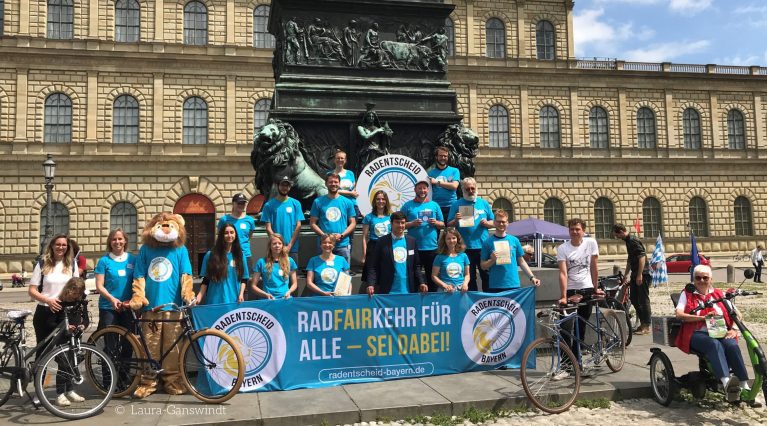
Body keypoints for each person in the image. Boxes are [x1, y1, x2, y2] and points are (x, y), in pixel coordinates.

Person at [675, 264, 750, 397]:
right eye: (698, 278)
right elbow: (679, 315)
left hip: (719, 331)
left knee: (732, 345)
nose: (701, 281)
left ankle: (744, 384)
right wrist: (703, 318)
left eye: (705, 278)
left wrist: (733, 329)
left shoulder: (719, 294)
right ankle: (727, 383)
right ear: (693, 279)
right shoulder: (687, 294)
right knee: (713, 344)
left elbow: (737, 314)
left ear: (711, 279)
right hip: (696, 333)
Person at [556, 218, 603, 361]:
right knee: (564, 327)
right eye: (572, 229)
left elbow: (594, 267)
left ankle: (577, 361)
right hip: (571, 291)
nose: (575, 232)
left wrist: (596, 288)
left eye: (577, 229)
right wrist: (563, 296)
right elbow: (563, 273)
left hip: (587, 289)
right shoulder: (563, 248)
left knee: (580, 327)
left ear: (583, 231)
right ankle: (566, 363)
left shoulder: (591, 243)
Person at [29, 234, 79, 349]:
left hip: (65, 312)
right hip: (45, 311)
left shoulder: (72, 264)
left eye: (63, 245)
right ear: (52, 246)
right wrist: (48, 300)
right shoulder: (42, 263)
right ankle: (39, 367)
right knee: (43, 351)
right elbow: (32, 290)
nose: (60, 247)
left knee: (65, 353)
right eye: (58, 244)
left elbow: (77, 287)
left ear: (67, 247)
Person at [446, 177, 494, 291]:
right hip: (465, 248)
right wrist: (456, 220)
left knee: (486, 275)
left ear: (476, 188)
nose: (471, 191)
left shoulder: (484, 203)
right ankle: (473, 303)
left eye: (473, 188)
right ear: (463, 190)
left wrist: (487, 223)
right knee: (470, 277)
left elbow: (493, 222)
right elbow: (448, 224)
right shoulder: (456, 204)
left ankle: (488, 299)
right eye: (468, 189)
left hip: (483, 247)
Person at [367, 211, 428, 295]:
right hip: (388, 291)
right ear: (391, 224)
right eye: (397, 222)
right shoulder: (382, 241)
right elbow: (374, 266)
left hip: (409, 291)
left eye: (403, 223)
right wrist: (371, 284)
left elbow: (416, 266)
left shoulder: (412, 241)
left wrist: (422, 282)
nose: (400, 225)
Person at [52, 277, 90, 406]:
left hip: (76, 337)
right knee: (63, 365)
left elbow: (86, 319)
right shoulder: (60, 302)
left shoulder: (80, 302)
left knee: (72, 365)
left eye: (79, 294)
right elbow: (54, 322)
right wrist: (65, 327)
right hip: (63, 337)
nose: (76, 296)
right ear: (68, 290)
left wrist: (83, 326)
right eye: (74, 294)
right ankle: (59, 394)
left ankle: (69, 390)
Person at [480, 210, 541, 292]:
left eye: (503, 222)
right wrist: (492, 260)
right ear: (494, 222)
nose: (501, 224)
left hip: (513, 284)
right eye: (498, 221)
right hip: (495, 286)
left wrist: (532, 277)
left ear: (507, 223)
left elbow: (521, 261)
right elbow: (483, 266)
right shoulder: (487, 242)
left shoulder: (514, 240)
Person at [401, 180, 445, 292]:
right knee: (414, 276)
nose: (422, 190)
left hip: (431, 248)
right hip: (414, 248)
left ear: (428, 190)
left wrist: (436, 223)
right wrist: (411, 224)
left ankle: (433, 301)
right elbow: (399, 224)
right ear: (415, 190)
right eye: (419, 188)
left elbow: (443, 224)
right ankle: (415, 300)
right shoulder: (407, 206)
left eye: (424, 188)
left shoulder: (434, 205)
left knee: (432, 277)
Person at [309, 173, 357, 265]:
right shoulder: (318, 202)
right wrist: (324, 236)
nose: (333, 184)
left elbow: (353, 223)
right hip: (324, 244)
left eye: (336, 182)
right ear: (326, 184)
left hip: (342, 245)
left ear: (339, 184)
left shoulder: (347, 202)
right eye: (331, 182)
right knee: (323, 273)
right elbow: (312, 223)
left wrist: (342, 235)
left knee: (344, 276)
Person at [613, 223, 652, 335]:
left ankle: (646, 325)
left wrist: (639, 274)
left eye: (617, 235)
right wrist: (626, 274)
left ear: (621, 231)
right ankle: (643, 323)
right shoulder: (628, 241)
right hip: (636, 273)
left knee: (644, 300)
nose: (617, 238)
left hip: (643, 273)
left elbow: (642, 258)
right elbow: (630, 259)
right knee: (634, 299)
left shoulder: (633, 240)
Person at [196, 223, 249, 305]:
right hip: (214, 301)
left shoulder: (240, 256)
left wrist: (241, 294)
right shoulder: (210, 255)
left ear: (235, 235)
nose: (229, 235)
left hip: (234, 301)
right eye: (226, 233)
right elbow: (206, 280)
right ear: (221, 235)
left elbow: (244, 279)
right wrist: (199, 296)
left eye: (232, 232)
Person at [94, 228, 135, 331]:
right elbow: (99, 286)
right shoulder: (104, 261)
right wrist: (112, 299)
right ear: (110, 242)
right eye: (114, 239)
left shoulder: (133, 259)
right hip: (108, 307)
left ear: (125, 241)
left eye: (120, 239)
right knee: (110, 342)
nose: (117, 242)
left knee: (129, 343)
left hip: (128, 306)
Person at [261, 176, 305, 264]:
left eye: (287, 185)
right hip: (275, 248)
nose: (285, 188)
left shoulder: (296, 203)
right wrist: (276, 243)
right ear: (277, 186)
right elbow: (268, 227)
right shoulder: (269, 205)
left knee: (292, 274)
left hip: (292, 248)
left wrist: (289, 245)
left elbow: (298, 225)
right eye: (282, 185)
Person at [251, 234, 298, 299]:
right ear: (270, 246)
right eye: (274, 243)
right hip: (268, 300)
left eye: (279, 243)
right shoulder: (261, 262)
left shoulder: (290, 261)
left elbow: (295, 283)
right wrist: (265, 295)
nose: (277, 245)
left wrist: (289, 292)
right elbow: (253, 286)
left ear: (282, 245)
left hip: (285, 299)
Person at [218, 193, 257, 269]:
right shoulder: (224, 220)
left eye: (243, 203)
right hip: (228, 254)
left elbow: (249, 236)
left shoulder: (250, 220)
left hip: (245, 255)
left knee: (246, 279)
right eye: (239, 203)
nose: (241, 205)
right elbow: (220, 236)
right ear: (233, 204)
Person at [362, 190, 391, 285]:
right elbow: (364, 237)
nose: (380, 201)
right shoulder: (368, 217)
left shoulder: (391, 217)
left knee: (386, 272)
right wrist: (364, 254)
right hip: (373, 247)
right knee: (372, 272)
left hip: (387, 246)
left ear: (386, 201)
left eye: (383, 199)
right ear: (374, 201)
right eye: (378, 199)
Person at [432, 228, 470, 293]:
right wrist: (445, 286)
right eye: (448, 238)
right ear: (444, 240)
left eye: (454, 238)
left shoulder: (464, 256)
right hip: (445, 291)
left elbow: (467, 274)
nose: (451, 241)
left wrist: (465, 284)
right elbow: (434, 276)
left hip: (461, 290)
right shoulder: (439, 257)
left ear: (457, 239)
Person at [428, 146, 460, 220]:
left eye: (445, 156)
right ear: (436, 157)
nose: (443, 158)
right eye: (441, 156)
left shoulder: (454, 171)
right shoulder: (430, 173)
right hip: (436, 206)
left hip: (451, 206)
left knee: (451, 230)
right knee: (436, 230)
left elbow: (454, 186)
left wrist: (436, 182)